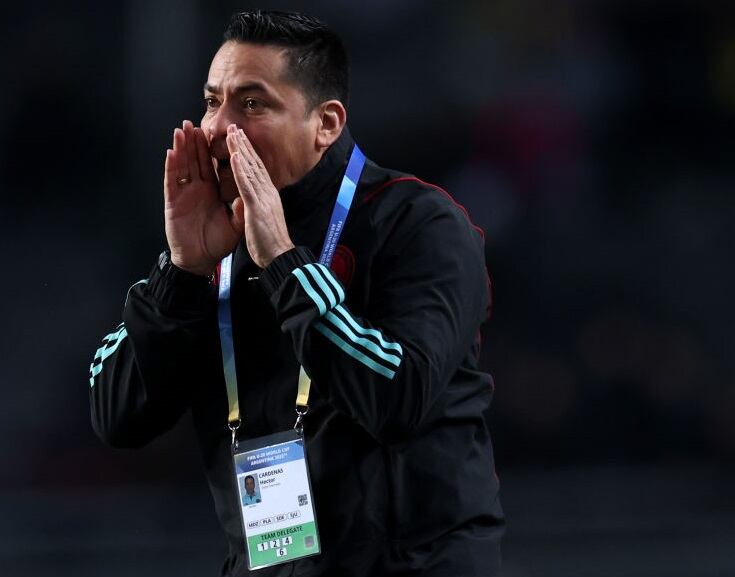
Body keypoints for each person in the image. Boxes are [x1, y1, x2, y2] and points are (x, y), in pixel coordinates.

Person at [89, 10, 504, 576]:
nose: (215, 129)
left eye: (252, 104)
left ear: (326, 123)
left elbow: (398, 396)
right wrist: (180, 273)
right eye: (213, 102)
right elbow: (116, 417)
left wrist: (285, 263)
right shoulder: (208, 247)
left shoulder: (419, 225)